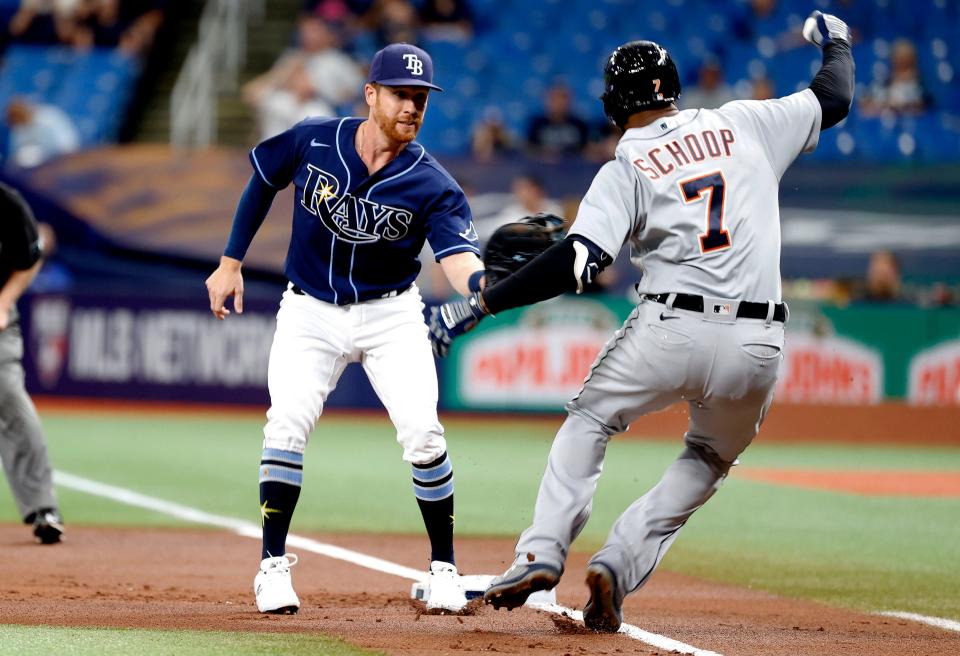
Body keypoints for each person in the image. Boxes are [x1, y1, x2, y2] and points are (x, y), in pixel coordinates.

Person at [428, 10, 854, 632]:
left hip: (670, 328)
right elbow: (835, 95)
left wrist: (479, 304)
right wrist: (836, 39)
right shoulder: (746, 121)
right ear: (674, 86)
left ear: (612, 105)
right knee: (708, 458)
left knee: (590, 419)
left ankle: (541, 552)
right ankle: (618, 567)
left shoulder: (626, 165)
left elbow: (576, 264)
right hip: (759, 342)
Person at [205, 42, 484, 615]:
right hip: (309, 308)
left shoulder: (432, 183)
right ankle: (272, 567)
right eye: (402, 95)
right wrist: (231, 260)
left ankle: (445, 570)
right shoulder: (314, 139)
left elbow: (458, 260)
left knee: (424, 434)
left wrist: (483, 286)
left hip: (391, 313)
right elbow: (263, 177)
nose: (413, 107)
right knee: (285, 424)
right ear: (371, 95)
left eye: (422, 98)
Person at [0, 182, 64, 545]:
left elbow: (29, 259)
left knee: (11, 399)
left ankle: (43, 508)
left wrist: (4, 301)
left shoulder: (7, 204)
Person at [242, 15, 364, 140]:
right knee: (276, 104)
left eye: (314, 30)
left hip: (321, 109)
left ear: (325, 32)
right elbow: (253, 92)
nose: (308, 35)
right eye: (304, 31)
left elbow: (356, 93)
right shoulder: (291, 57)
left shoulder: (337, 60)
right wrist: (287, 75)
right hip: (287, 108)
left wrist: (316, 89)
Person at [5, 98, 81, 168]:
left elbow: (66, 144)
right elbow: (16, 156)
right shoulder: (18, 129)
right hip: (37, 169)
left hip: (62, 160)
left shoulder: (48, 116)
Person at [526, 83, 589, 159]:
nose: (559, 103)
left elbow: (586, 150)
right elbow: (529, 150)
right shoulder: (538, 124)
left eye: (563, 98)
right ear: (547, 100)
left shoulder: (578, 124)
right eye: (555, 98)